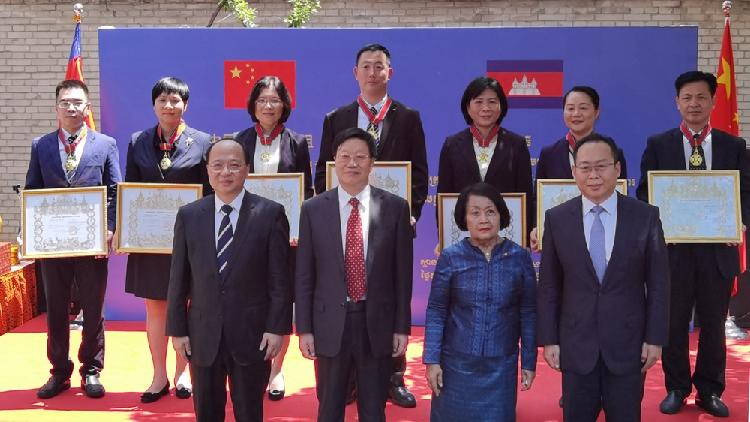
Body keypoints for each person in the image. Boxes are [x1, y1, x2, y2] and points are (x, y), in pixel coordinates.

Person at [313, 42, 426, 407]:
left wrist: (413, 212)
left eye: (380, 66)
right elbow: (322, 172)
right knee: (344, 293)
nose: (373, 72)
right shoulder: (337, 117)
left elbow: (420, 173)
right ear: (355, 73)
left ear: (389, 73)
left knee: (388, 295)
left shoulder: (408, 117)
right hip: (345, 220)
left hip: (390, 225)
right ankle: (345, 379)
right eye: (367, 66)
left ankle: (393, 377)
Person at [637, 70, 750, 418]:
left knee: (714, 325)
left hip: (717, 252)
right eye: (687, 97)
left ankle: (710, 390)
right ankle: (677, 387)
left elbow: (744, 193)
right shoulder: (659, 144)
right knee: (673, 323)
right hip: (673, 252)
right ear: (677, 103)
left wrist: (738, 220)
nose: (694, 104)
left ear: (714, 101)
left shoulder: (734, 146)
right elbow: (645, 193)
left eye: (701, 97)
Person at [538, 134, 670, 421]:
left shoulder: (645, 216)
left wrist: (654, 337)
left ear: (618, 169)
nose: (593, 175)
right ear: (574, 172)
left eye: (601, 166)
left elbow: (659, 283)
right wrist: (549, 339)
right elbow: (549, 286)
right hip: (575, 343)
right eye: (585, 168)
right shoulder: (557, 218)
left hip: (628, 344)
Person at [166, 139, 292, 422]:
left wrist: (277, 329)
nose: (226, 172)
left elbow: (280, 280)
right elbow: (178, 278)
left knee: (249, 411)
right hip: (202, 334)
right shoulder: (189, 216)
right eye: (218, 165)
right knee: (207, 411)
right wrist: (177, 330)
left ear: (247, 169)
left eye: (234, 165)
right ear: (208, 170)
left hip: (253, 335)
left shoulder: (270, 214)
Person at [296, 128, 413, 421]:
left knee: (374, 409)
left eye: (360, 157)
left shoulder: (395, 208)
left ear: (372, 163)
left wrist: (401, 327)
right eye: (345, 156)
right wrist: (305, 328)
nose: (352, 163)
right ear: (333, 161)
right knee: (330, 406)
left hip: (376, 321)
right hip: (329, 322)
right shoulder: (312, 209)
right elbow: (305, 275)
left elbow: (402, 276)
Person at [25, 79, 121, 399]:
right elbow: (33, 191)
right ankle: (59, 371)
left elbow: (113, 190)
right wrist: (31, 231)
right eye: (65, 102)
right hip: (52, 245)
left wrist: (109, 227)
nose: (71, 107)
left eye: (77, 102)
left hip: (92, 242)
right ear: (56, 107)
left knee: (93, 307)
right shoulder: (41, 145)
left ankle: (91, 369)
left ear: (87, 108)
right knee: (55, 309)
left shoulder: (105, 144)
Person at [124, 77, 212, 403]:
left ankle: (183, 371)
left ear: (185, 105)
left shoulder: (203, 142)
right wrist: (126, 227)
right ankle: (159, 375)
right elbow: (130, 190)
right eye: (162, 100)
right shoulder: (138, 141)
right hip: (150, 244)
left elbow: (210, 194)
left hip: (191, 243)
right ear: (154, 105)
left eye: (175, 100)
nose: (168, 106)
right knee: (156, 309)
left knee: (188, 306)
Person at [424, 182, 537, 421]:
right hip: (455, 366)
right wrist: (432, 360)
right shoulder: (450, 257)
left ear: (501, 216)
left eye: (490, 211)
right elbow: (436, 310)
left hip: (501, 368)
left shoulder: (519, 257)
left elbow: (528, 312)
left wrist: (528, 361)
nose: (483, 219)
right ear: (464, 219)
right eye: (475, 212)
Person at [234, 75, 314, 401]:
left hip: (286, 236)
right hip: (247, 234)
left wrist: (299, 227)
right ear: (253, 104)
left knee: (282, 299)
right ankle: (251, 364)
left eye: (275, 100)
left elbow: (306, 189)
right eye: (263, 100)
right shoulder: (239, 140)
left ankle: (277, 369)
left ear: (284, 106)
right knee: (250, 300)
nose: (269, 106)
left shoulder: (296, 142)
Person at [437, 76, 534, 239]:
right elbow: (444, 195)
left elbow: (526, 194)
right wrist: (444, 235)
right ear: (468, 107)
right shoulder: (451, 145)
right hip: (464, 236)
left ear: (501, 107)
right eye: (479, 102)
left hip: (507, 235)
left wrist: (524, 237)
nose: (486, 108)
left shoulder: (516, 144)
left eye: (492, 102)